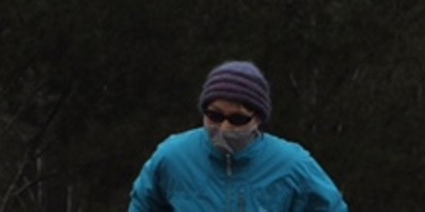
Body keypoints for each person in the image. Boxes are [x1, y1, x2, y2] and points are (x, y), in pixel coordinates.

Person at [129, 60, 348, 211]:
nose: (224, 128)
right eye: (214, 115)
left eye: (238, 119)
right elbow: (143, 205)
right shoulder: (172, 156)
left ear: (258, 120)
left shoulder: (294, 165)